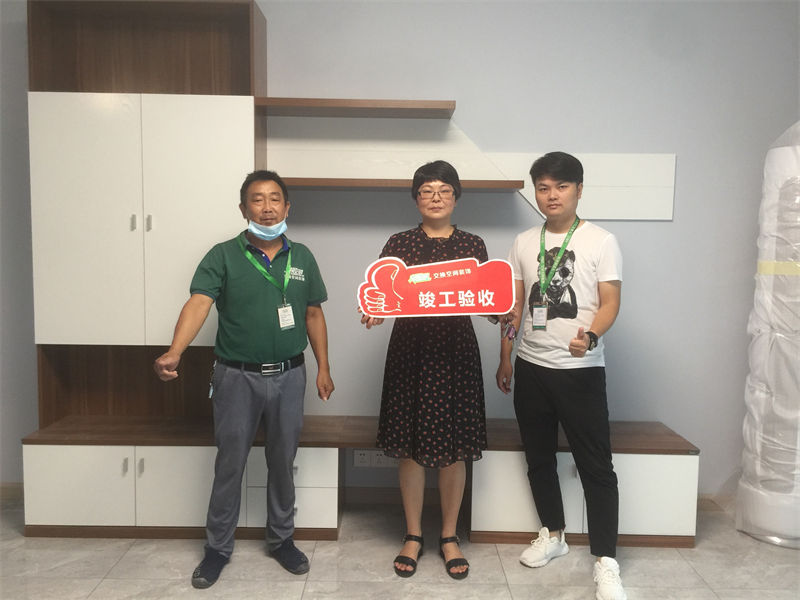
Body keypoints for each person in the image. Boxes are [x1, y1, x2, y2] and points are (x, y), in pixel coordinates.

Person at [154, 170, 334, 589]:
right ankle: (217, 549)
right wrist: (175, 350)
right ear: (243, 208)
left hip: (290, 375)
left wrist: (324, 367)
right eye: (257, 199)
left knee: (283, 462)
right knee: (230, 463)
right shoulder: (223, 255)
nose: (267, 207)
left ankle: (282, 540)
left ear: (287, 207)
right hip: (236, 378)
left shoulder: (302, 257)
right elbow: (199, 303)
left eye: (275, 199)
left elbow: (313, 314)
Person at [496, 152, 626, 600]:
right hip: (531, 368)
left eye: (562, 186)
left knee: (596, 466)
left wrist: (590, 336)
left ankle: (606, 560)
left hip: (579, 371)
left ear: (579, 190)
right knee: (538, 459)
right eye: (543, 187)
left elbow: (610, 302)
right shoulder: (522, 242)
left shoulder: (601, 241)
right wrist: (505, 356)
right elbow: (515, 308)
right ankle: (553, 534)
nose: (552, 195)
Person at [360, 160, 488, 580]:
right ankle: (413, 534)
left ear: (456, 197)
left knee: (455, 448)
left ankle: (449, 536)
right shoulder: (399, 243)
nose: (436, 198)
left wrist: (501, 310)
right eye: (427, 191)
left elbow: (487, 302)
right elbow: (381, 295)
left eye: (444, 190)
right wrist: (375, 311)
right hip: (410, 353)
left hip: (456, 353)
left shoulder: (473, 244)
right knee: (411, 447)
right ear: (416, 199)